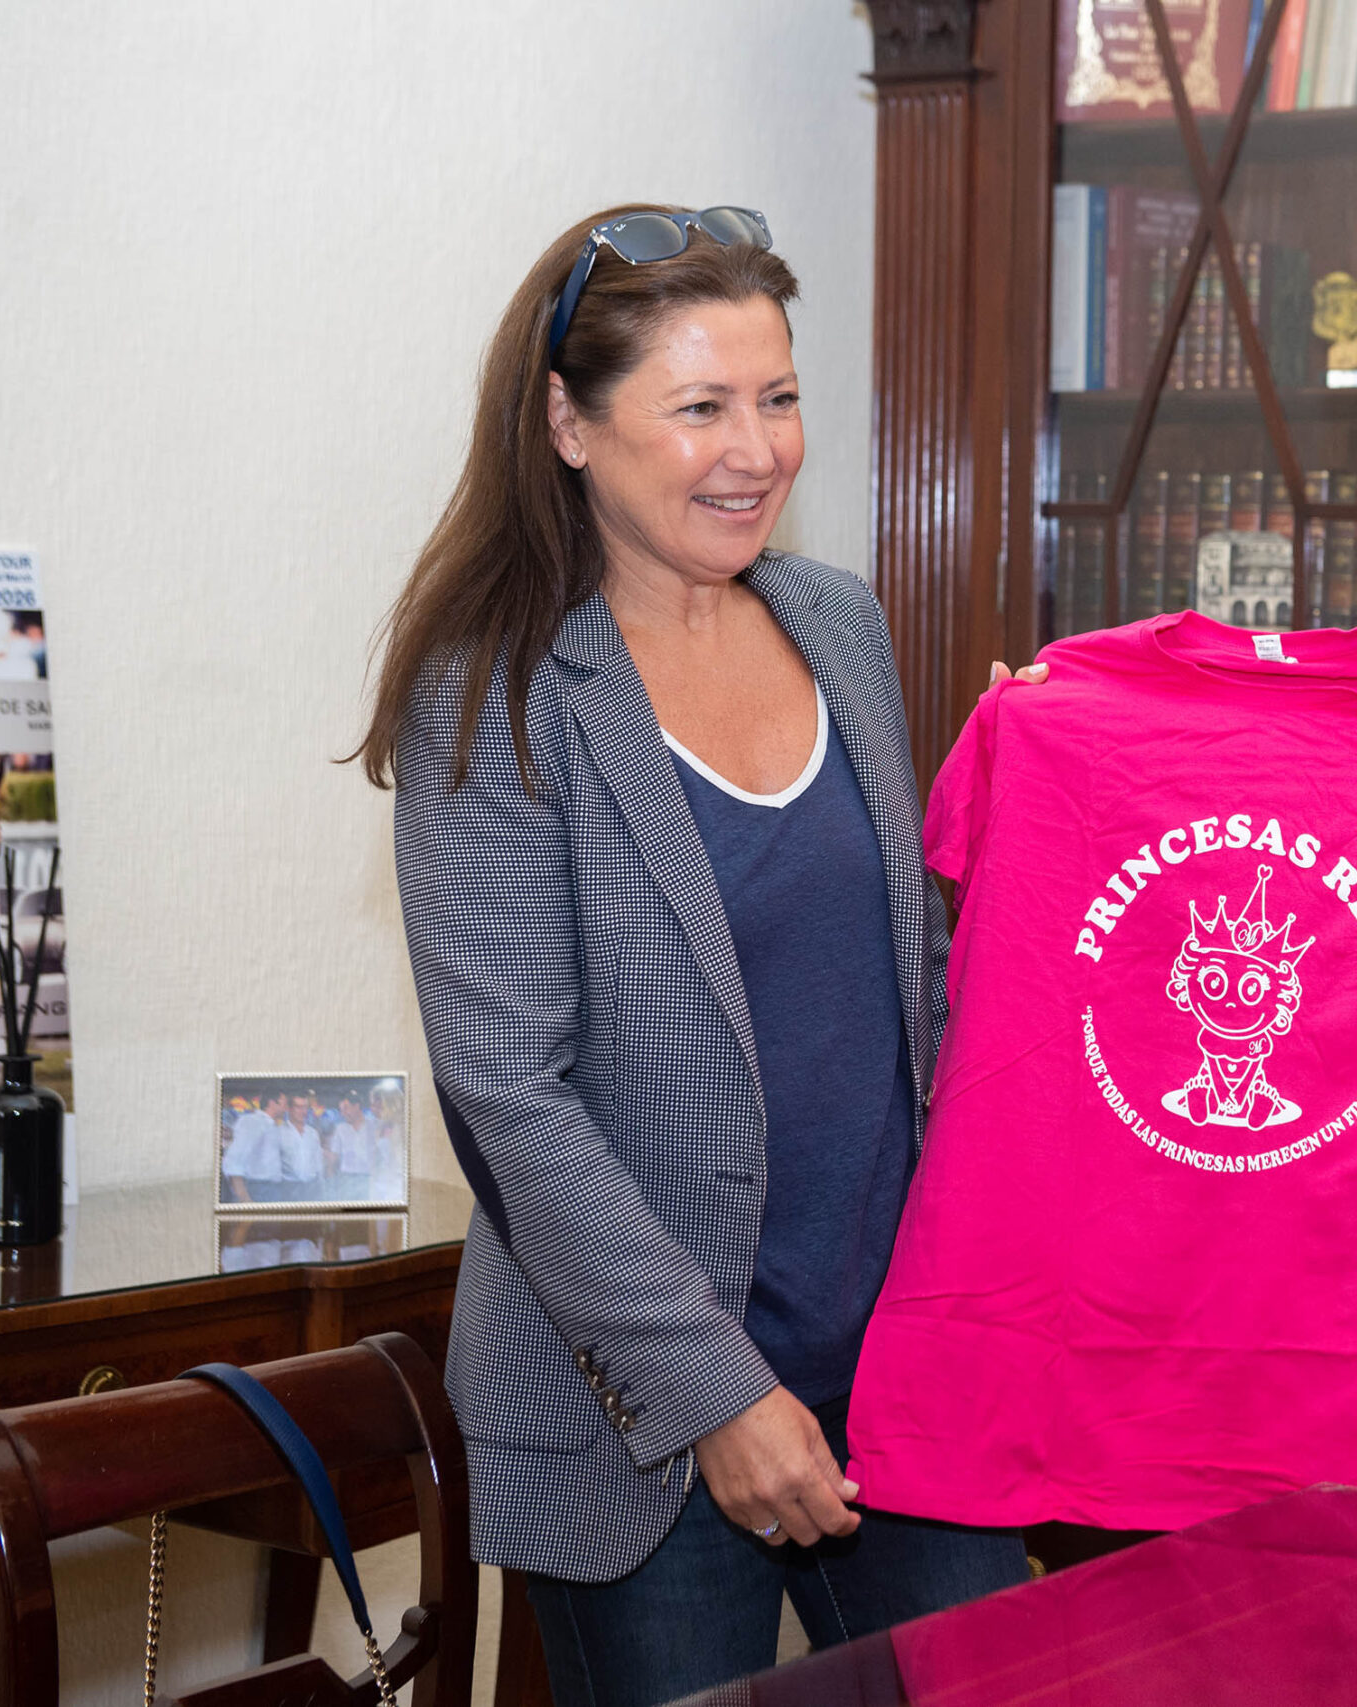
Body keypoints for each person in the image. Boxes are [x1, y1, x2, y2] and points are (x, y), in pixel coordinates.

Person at [360, 205, 1028, 1704]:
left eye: (778, 398)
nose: (757, 450)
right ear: (570, 425)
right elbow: (510, 1100)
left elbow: (904, 983)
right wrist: (720, 1395)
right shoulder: (497, 690)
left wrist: (1046, 804)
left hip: (899, 1374)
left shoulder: (837, 621)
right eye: (701, 407)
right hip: (643, 1427)